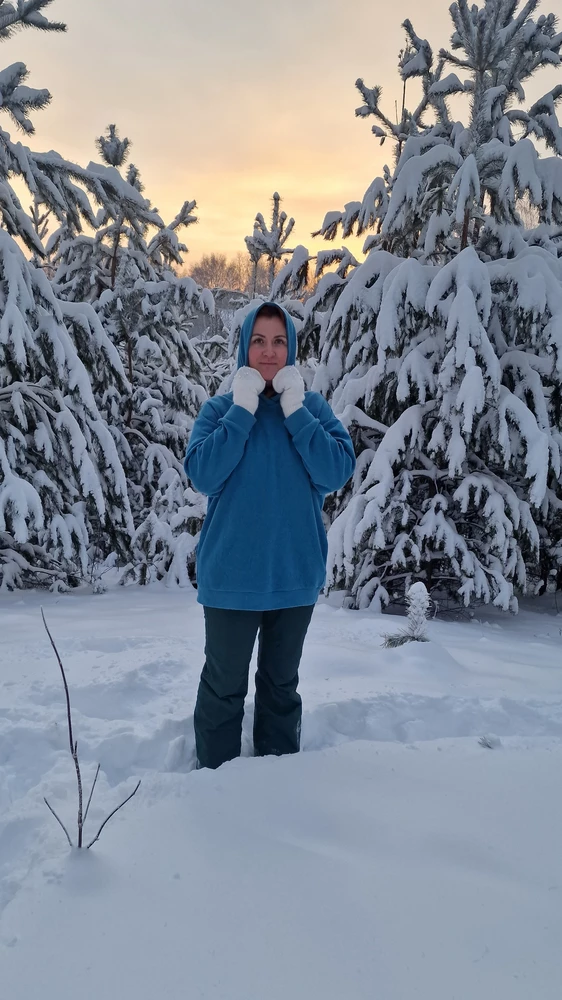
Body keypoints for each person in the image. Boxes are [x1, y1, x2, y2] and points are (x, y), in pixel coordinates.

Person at [184, 302, 355, 769]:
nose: (268, 351)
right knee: (223, 689)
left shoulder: (311, 408)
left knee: (281, 688)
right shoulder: (220, 410)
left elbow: (336, 469)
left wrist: (296, 412)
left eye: (278, 341)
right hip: (231, 581)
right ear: (244, 347)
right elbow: (203, 474)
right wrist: (241, 412)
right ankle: (215, 787)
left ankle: (279, 793)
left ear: (291, 349)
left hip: (292, 577)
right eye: (258, 340)